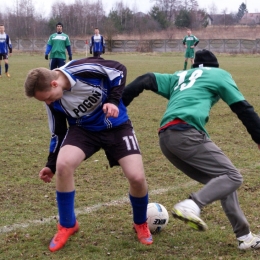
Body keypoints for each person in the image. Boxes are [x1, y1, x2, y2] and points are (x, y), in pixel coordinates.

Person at [122, 49, 260, 250]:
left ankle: (244, 236)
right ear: (215, 66)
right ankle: (191, 205)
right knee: (233, 176)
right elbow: (243, 108)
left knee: (222, 180)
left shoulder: (180, 75)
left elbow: (146, 79)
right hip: (187, 133)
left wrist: (119, 104)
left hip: (166, 138)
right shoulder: (219, 74)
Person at [23, 56, 153, 252]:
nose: (48, 102)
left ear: (54, 83)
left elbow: (118, 70)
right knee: (63, 165)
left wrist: (113, 101)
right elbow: (58, 131)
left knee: (136, 176)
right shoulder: (52, 102)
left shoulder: (82, 69)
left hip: (116, 126)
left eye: (48, 97)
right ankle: (67, 224)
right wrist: (50, 164)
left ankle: (141, 223)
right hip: (83, 130)